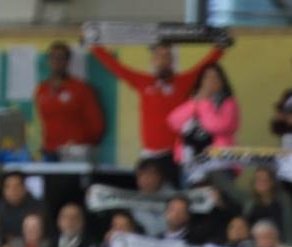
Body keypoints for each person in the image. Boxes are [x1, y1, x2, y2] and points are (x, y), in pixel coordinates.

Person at [92, 39, 227, 175]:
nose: (163, 61)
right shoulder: (143, 82)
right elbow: (117, 68)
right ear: (152, 61)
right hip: (150, 155)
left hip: (176, 155)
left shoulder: (183, 82)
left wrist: (220, 47)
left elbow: (205, 66)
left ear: (172, 61)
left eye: (167, 56)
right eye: (159, 56)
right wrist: (95, 47)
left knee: (177, 194)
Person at [35, 41, 104, 160]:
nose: (56, 62)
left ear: (67, 62)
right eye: (53, 57)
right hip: (49, 151)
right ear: (48, 60)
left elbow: (96, 125)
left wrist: (81, 142)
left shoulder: (81, 89)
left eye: (61, 58)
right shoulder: (42, 90)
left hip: (74, 152)